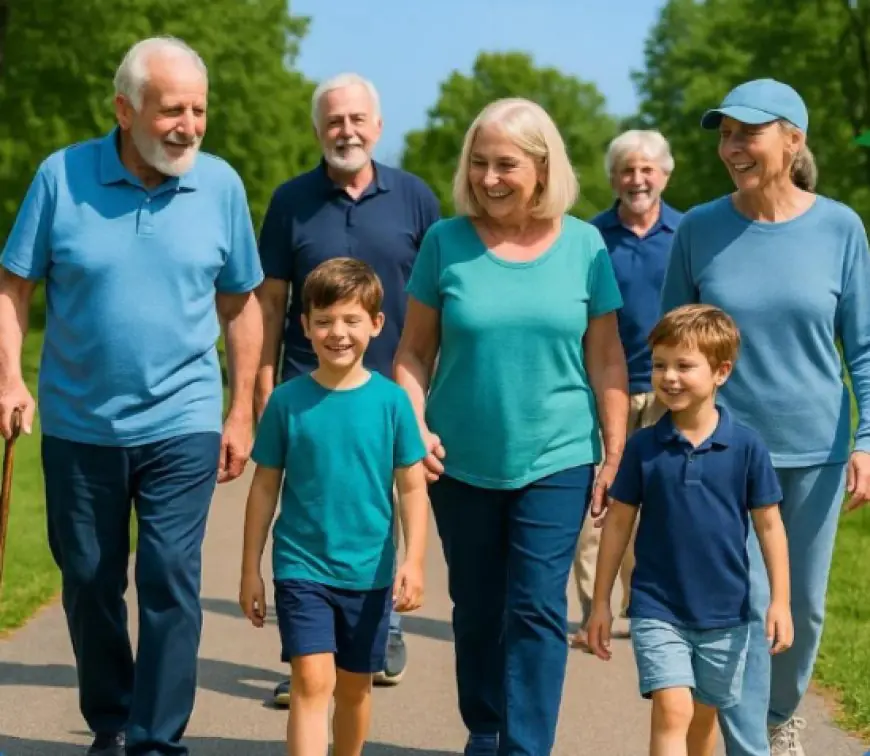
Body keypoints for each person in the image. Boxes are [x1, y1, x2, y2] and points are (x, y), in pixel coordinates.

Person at [0, 36, 264, 756]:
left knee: (170, 575)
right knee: (87, 579)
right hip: (80, 421)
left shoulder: (221, 187)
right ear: (124, 110)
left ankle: (155, 739)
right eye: (171, 109)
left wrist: (240, 409)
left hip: (183, 418)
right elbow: (12, 285)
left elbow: (241, 306)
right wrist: (10, 378)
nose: (188, 124)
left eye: (198, 109)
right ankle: (112, 719)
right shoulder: (62, 176)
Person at [393, 97, 629, 756]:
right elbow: (412, 352)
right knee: (476, 608)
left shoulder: (584, 245)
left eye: (505, 165)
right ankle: (487, 725)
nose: (489, 178)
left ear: (542, 167)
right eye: (478, 163)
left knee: (535, 607)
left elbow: (606, 357)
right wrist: (412, 419)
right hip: (459, 458)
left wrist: (614, 453)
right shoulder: (445, 242)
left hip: (557, 454)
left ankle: (525, 746)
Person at [661, 78, 870, 756]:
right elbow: (669, 340)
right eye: (725, 133)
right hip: (720, 456)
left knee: (802, 610)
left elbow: (864, 346)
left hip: (813, 449)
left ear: (793, 138)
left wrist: (867, 437)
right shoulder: (699, 229)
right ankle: (750, 743)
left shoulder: (841, 228)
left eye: (747, 132)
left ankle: (783, 714)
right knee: (746, 608)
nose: (732, 147)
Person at [256, 72, 441, 704]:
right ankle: (312, 656)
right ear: (318, 130)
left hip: (393, 389)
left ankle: (377, 632)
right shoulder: (290, 201)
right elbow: (272, 299)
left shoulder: (416, 199)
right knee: (314, 507)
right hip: (306, 387)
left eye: (358, 120)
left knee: (380, 501)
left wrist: (427, 399)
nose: (347, 131)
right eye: (334, 121)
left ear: (378, 127)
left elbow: (434, 304)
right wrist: (259, 385)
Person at [239, 258, 429, 756]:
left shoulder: (392, 404)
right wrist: (250, 570)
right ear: (304, 326)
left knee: (354, 687)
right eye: (323, 321)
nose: (337, 333)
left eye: (350, 320)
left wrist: (413, 562)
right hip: (302, 565)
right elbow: (263, 488)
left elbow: (411, 487)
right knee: (310, 680)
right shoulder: (286, 401)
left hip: (369, 572)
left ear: (376, 324)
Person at [587, 304, 793, 756]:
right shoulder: (643, 447)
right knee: (672, 709)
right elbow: (618, 523)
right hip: (658, 606)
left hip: (726, 613)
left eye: (684, 365)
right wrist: (602, 602)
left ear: (721, 372)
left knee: (703, 720)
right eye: (660, 365)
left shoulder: (747, 447)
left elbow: (770, 526)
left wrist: (780, 600)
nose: (669, 376)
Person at [571, 129, 682, 650]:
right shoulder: (591, 238)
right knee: (599, 502)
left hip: (671, 392)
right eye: (626, 170)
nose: (637, 179)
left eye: (646, 169)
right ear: (613, 177)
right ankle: (596, 609)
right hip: (603, 389)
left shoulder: (687, 233)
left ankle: (649, 608)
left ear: (665, 173)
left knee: (659, 504)